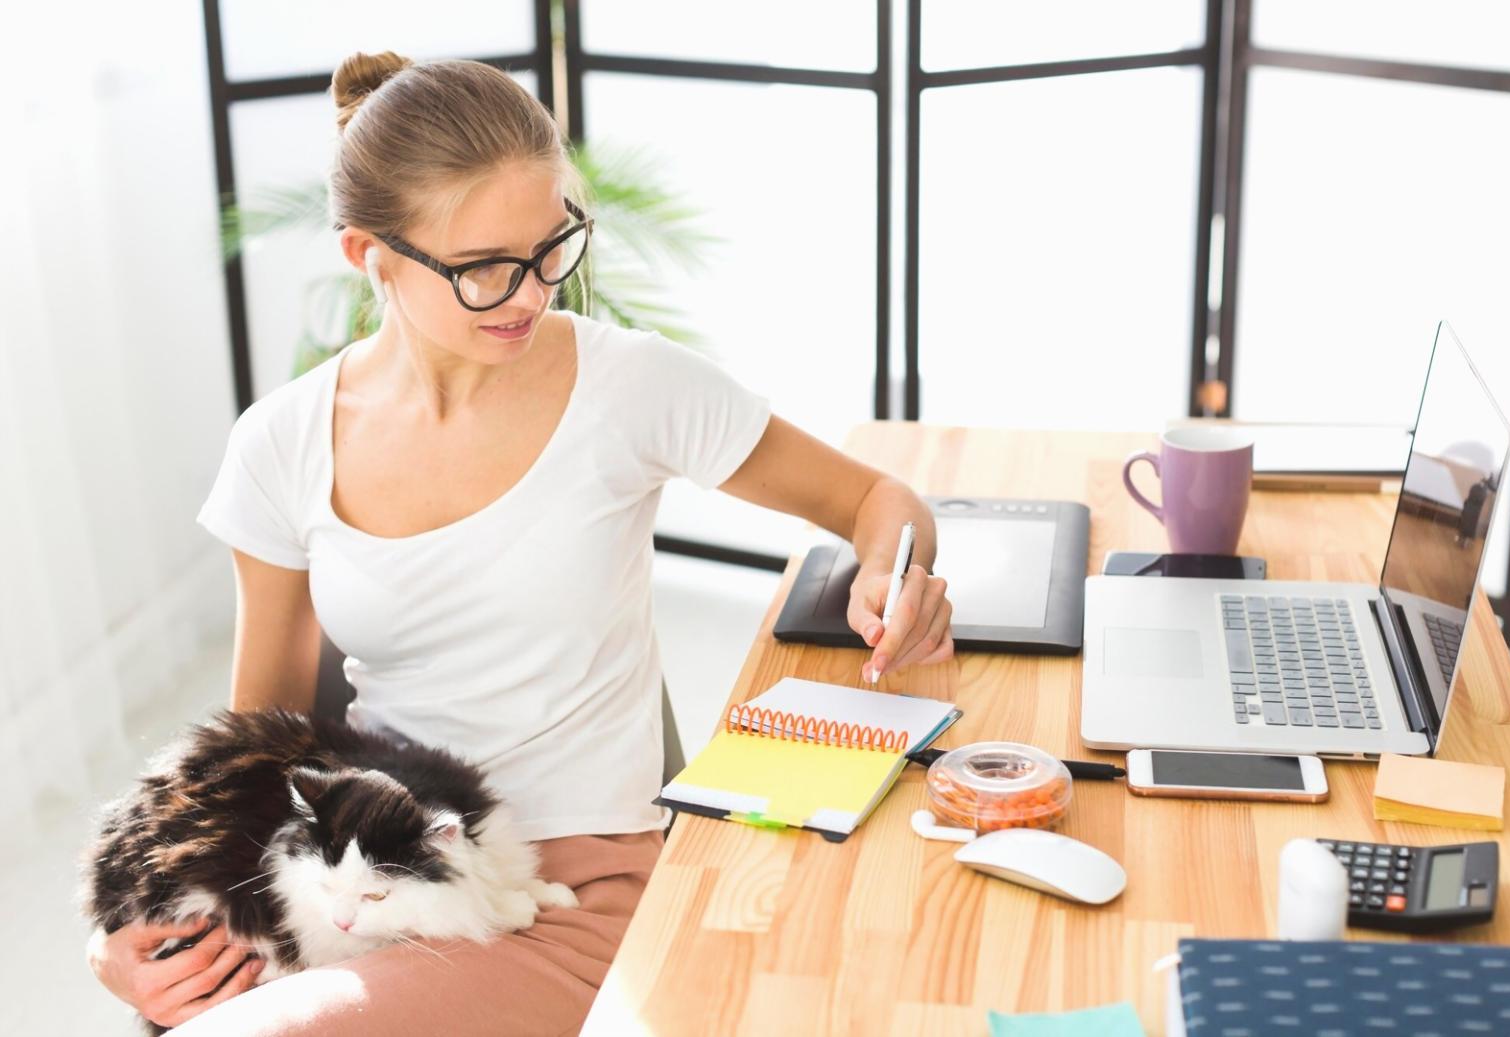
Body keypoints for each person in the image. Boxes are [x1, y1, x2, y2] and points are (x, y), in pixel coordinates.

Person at [87, 51, 954, 1035]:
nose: (531, 293)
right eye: (483, 268)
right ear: (368, 256)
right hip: (358, 886)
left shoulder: (629, 387)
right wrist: (120, 937)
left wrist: (895, 571)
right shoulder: (280, 443)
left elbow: (880, 498)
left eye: (551, 248)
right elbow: (249, 757)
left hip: (564, 892)